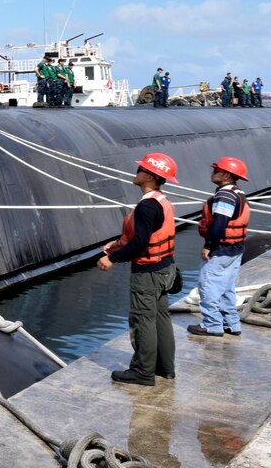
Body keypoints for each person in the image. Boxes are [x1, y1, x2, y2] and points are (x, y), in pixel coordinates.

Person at [97, 152, 178, 386]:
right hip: (166, 269)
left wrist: (112, 257)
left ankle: (143, 372)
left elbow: (141, 242)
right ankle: (166, 368)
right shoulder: (161, 201)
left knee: (143, 320)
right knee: (161, 317)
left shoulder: (146, 207)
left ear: (150, 176)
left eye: (140, 170)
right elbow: (148, 234)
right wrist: (119, 243)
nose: (136, 173)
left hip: (148, 273)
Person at [188, 157, 250, 338]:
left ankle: (212, 325)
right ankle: (231, 323)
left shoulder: (225, 195)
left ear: (226, 174)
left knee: (208, 285)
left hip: (222, 248)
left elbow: (220, 223)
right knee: (226, 286)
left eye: (216, 170)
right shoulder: (238, 193)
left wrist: (208, 246)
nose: (212, 172)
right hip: (236, 248)